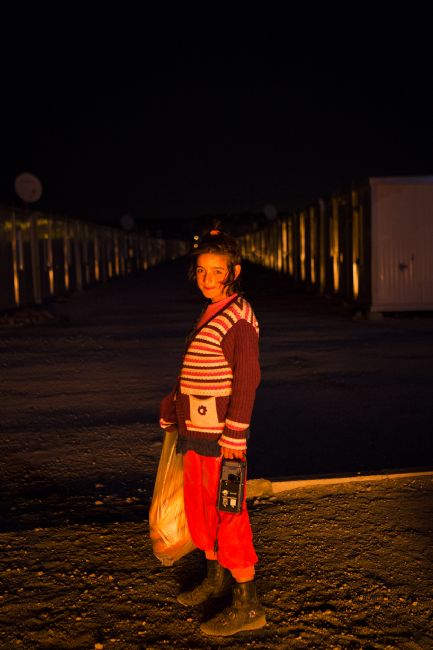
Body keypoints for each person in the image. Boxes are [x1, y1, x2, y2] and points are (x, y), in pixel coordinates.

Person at [159, 228, 266, 637]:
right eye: (201, 270)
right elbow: (195, 369)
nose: (206, 279)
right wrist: (173, 409)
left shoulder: (238, 317)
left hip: (224, 440)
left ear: (233, 272)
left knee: (230, 514)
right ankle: (214, 578)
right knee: (201, 509)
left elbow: (247, 379)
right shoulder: (210, 310)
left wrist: (236, 434)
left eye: (216, 271)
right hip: (197, 435)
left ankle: (247, 603)